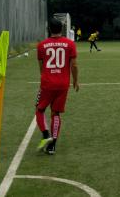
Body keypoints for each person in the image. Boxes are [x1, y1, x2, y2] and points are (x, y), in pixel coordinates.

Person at [35, 17, 79, 155]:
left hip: (47, 83)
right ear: (62, 29)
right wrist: (75, 81)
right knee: (56, 113)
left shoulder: (41, 45)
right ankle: (52, 145)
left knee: (39, 110)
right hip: (63, 84)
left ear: (49, 29)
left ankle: (46, 134)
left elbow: (41, 67)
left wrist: (44, 80)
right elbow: (74, 65)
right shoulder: (70, 44)